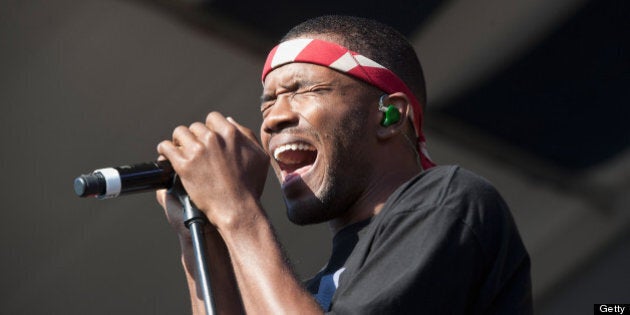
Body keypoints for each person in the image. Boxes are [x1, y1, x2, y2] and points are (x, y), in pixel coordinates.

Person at [156, 15, 533, 314]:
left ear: (389, 116)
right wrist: (201, 234)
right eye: (267, 103)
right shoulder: (309, 295)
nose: (273, 119)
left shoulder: (452, 200)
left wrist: (236, 211)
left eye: (304, 90)